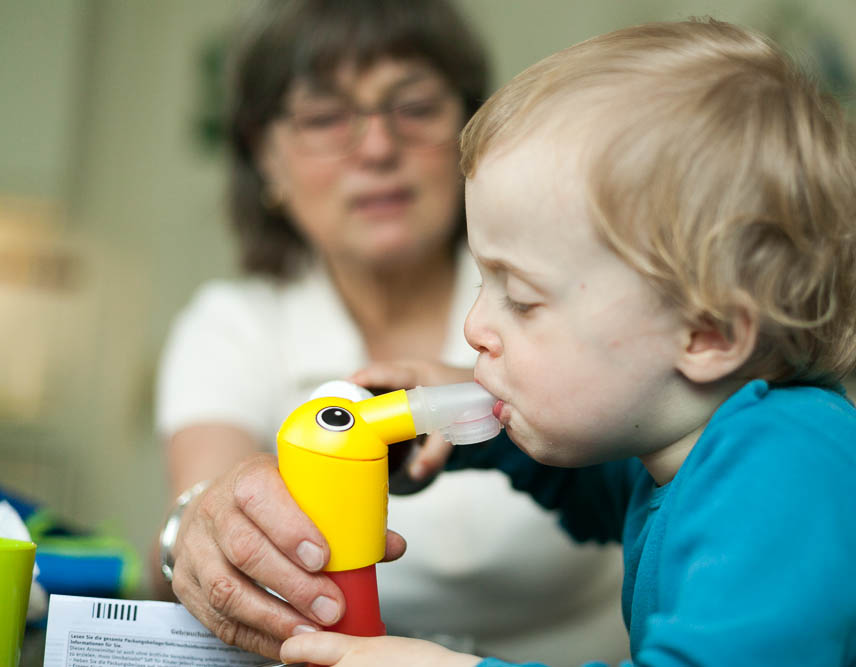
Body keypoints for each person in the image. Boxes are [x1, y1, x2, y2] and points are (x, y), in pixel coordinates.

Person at [278, 19, 856, 666]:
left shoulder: (787, 477)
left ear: (708, 332)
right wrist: (454, 421)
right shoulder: (688, 441)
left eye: (521, 298)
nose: (474, 328)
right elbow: (588, 479)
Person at [153, 0, 628, 664]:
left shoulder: (572, 290)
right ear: (266, 160)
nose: (377, 148)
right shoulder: (233, 325)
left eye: (416, 108)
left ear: (470, 130)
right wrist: (201, 525)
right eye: (324, 118)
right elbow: (198, 502)